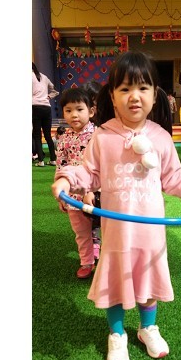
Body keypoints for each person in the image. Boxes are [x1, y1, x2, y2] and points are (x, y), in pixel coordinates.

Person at [51, 51, 181, 360]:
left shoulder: (160, 137)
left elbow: (174, 178)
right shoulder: (103, 136)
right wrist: (67, 178)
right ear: (112, 97)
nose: (134, 96)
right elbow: (89, 173)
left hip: (150, 233)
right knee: (116, 282)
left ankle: (147, 328)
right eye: (125, 88)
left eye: (143, 88)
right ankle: (117, 333)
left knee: (148, 279)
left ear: (155, 95)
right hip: (117, 233)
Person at [55, 88, 98, 279]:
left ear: (91, 111)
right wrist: (61, 196)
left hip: (97, 193)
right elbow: (61, 166)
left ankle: (104, 256)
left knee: (105, 229)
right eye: (68, 110)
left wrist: (90, 190)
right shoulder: (64, 138)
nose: (74, 115)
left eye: (79, 109)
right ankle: (86, 261)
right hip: (73, 196)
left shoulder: (98, 135)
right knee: (81, 231)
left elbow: (101, 166)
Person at [81, 80, 103, 260]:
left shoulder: (102, 128)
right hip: (84, 181)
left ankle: (100, 242)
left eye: (96, 101)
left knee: (101, 215)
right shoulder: (76, 132)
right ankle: (93, 244)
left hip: (101, 182)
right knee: (88, 217)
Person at [32, 62, 59, 167]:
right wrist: (48, 97)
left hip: (35, 107)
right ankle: (53, 160)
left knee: (37, 135)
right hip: (47, 107)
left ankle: (41, 161)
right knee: (47, 135)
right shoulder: (44, 77)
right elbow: (55, 90)